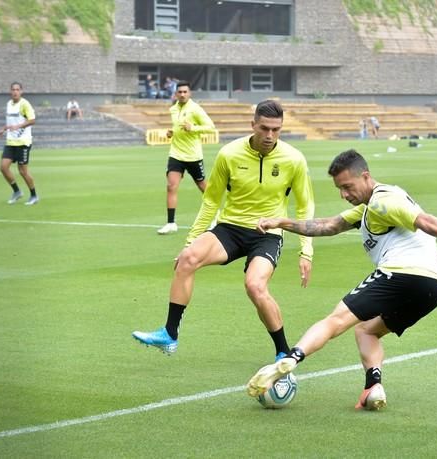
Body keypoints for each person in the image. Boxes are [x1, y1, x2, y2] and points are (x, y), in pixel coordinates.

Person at [247, 149, 437, 410]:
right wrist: (282, 222)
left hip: (401, 273)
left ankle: (291, 359)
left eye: (348, 186)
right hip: (432, 287)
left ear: (366, 176)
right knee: (367, 330)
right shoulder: (368, 209)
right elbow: (329, 226)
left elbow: (424, 221)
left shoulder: (384, 200)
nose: (344, 194)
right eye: (339, 189)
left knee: (336, 320)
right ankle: (374, 386)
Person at [133, 100, 315, 359]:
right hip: (230, 228)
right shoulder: (229, 154)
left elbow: (305, 206)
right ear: (253, 125)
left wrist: (306, 251)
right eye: (264, 128)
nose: (270, 135)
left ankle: (283, 354)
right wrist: (191, 242)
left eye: (276, 130)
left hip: (267, 234)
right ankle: (169, 334)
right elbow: (211, 201)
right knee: (186, 260)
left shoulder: (294, 159)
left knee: (255, 286)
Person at [157, 81, 216, 235]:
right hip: (176, 154)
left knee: (204, 188)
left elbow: (210, 128)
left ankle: (216, 218)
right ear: (176, 94)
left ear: (189, 94)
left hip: (193, 156)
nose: (182, 94)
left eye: (185, 92)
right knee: (171, 186)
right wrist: (172, 133)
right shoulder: (173, 109)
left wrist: (193, 128)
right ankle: (171, 223)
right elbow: (178, 127)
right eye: (180, 92)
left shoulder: (195, 109)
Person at [0, 82, 38, 205]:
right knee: (3, 167)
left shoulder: (25, 104)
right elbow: (11, 121)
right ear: (10, 91)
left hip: (23, 142)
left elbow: (32, 120)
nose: (15, 92)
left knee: (22, 171)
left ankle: (34, 195)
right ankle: (17, 192)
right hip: (10, 141)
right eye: (13, 89)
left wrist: (19, 126)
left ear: (21, 91)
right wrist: (4, 128)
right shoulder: (9, 104)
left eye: (17, 89)